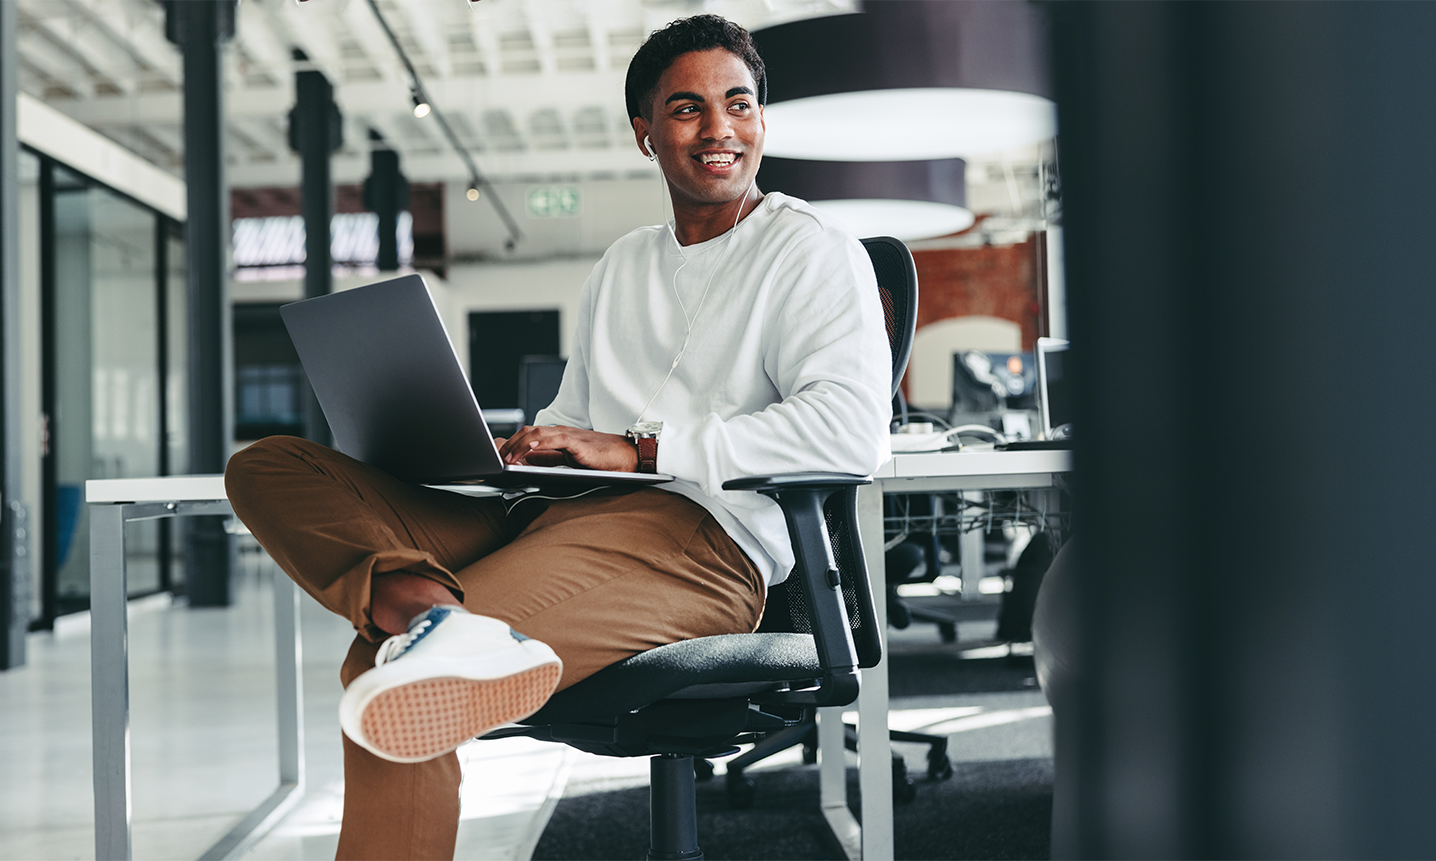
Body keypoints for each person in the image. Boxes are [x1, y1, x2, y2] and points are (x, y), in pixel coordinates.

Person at [224, 14, 891, 860]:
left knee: (387, 670)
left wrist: (643, 450)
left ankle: (430, 627)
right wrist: (529, 449)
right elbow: (578, 421)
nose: (719, 128)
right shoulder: (622, 265)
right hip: (556, 516)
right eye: (687, 108)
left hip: (698, 545)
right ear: (645, 133)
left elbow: (851, 431)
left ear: (762, 119)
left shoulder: (811, 250)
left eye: (739, 103)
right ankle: (431, 611)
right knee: (270, 465)